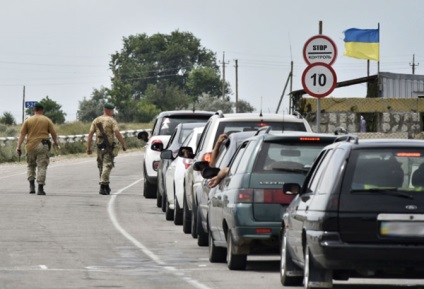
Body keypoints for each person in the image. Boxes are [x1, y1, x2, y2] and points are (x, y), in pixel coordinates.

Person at [16, 102, 59, 195]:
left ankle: (31, 186)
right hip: (43, 146)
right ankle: (40, 188)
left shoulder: (28, 120)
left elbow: (22, 134)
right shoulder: (47, 120)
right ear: (42, 110)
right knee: (42, 166)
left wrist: (18, 147)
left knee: (30, 165)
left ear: (34, 110)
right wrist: (56, 142)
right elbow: (53, 133)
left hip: (30, 146)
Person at [86, 102, 127, 195]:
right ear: (108, 110)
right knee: (107, 165)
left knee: (101, 165)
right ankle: (103, 185)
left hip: (99, 146)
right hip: (108, 146)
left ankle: (106, 185)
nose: (113, 112)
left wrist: (88, 148)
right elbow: (116, 133)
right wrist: (123, 144)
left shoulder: (96, 120)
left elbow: (90, 134)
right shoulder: (111, 120)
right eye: (112, 110)